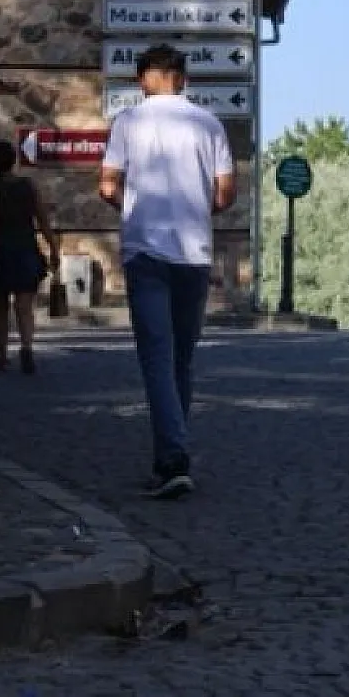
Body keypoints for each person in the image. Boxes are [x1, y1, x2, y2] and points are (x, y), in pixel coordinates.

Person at [98, 44, 236, 500]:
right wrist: (192, 211)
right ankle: (173, 447)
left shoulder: (128, 122)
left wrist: (133, 210)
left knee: (156, 356)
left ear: (145, 78)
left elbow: (107, 185)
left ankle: (173, 457)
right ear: (183, 77)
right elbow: (225, 194)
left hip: (146, 250)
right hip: (193, 253)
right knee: (181, 358)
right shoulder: (209, 123)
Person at [0, 140, 59, 374]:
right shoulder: (28, 185)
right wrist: (53, 247)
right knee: (24, 305)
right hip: (26, 247)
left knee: (0, 305)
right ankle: (27, 347)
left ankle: (2, 355)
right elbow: (42, 219)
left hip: (2, 249)